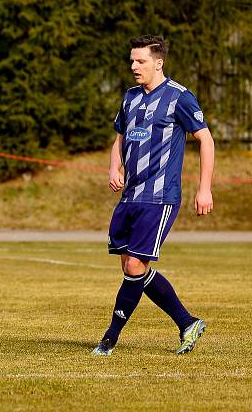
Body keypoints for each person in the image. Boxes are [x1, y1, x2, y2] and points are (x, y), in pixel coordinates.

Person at [92, 35, 214, 356]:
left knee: (135, 266)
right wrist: (113, 168)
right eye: (132, 60)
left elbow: (206, 140)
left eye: (141, 61)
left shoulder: (179, 98)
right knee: (132, 269)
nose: (134, 66)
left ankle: (109, 339)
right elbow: (118, 139)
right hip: (129, 197)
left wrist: (204, 188)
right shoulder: (130, 98)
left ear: (158, 63)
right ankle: (188, 322)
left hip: (160, 197)